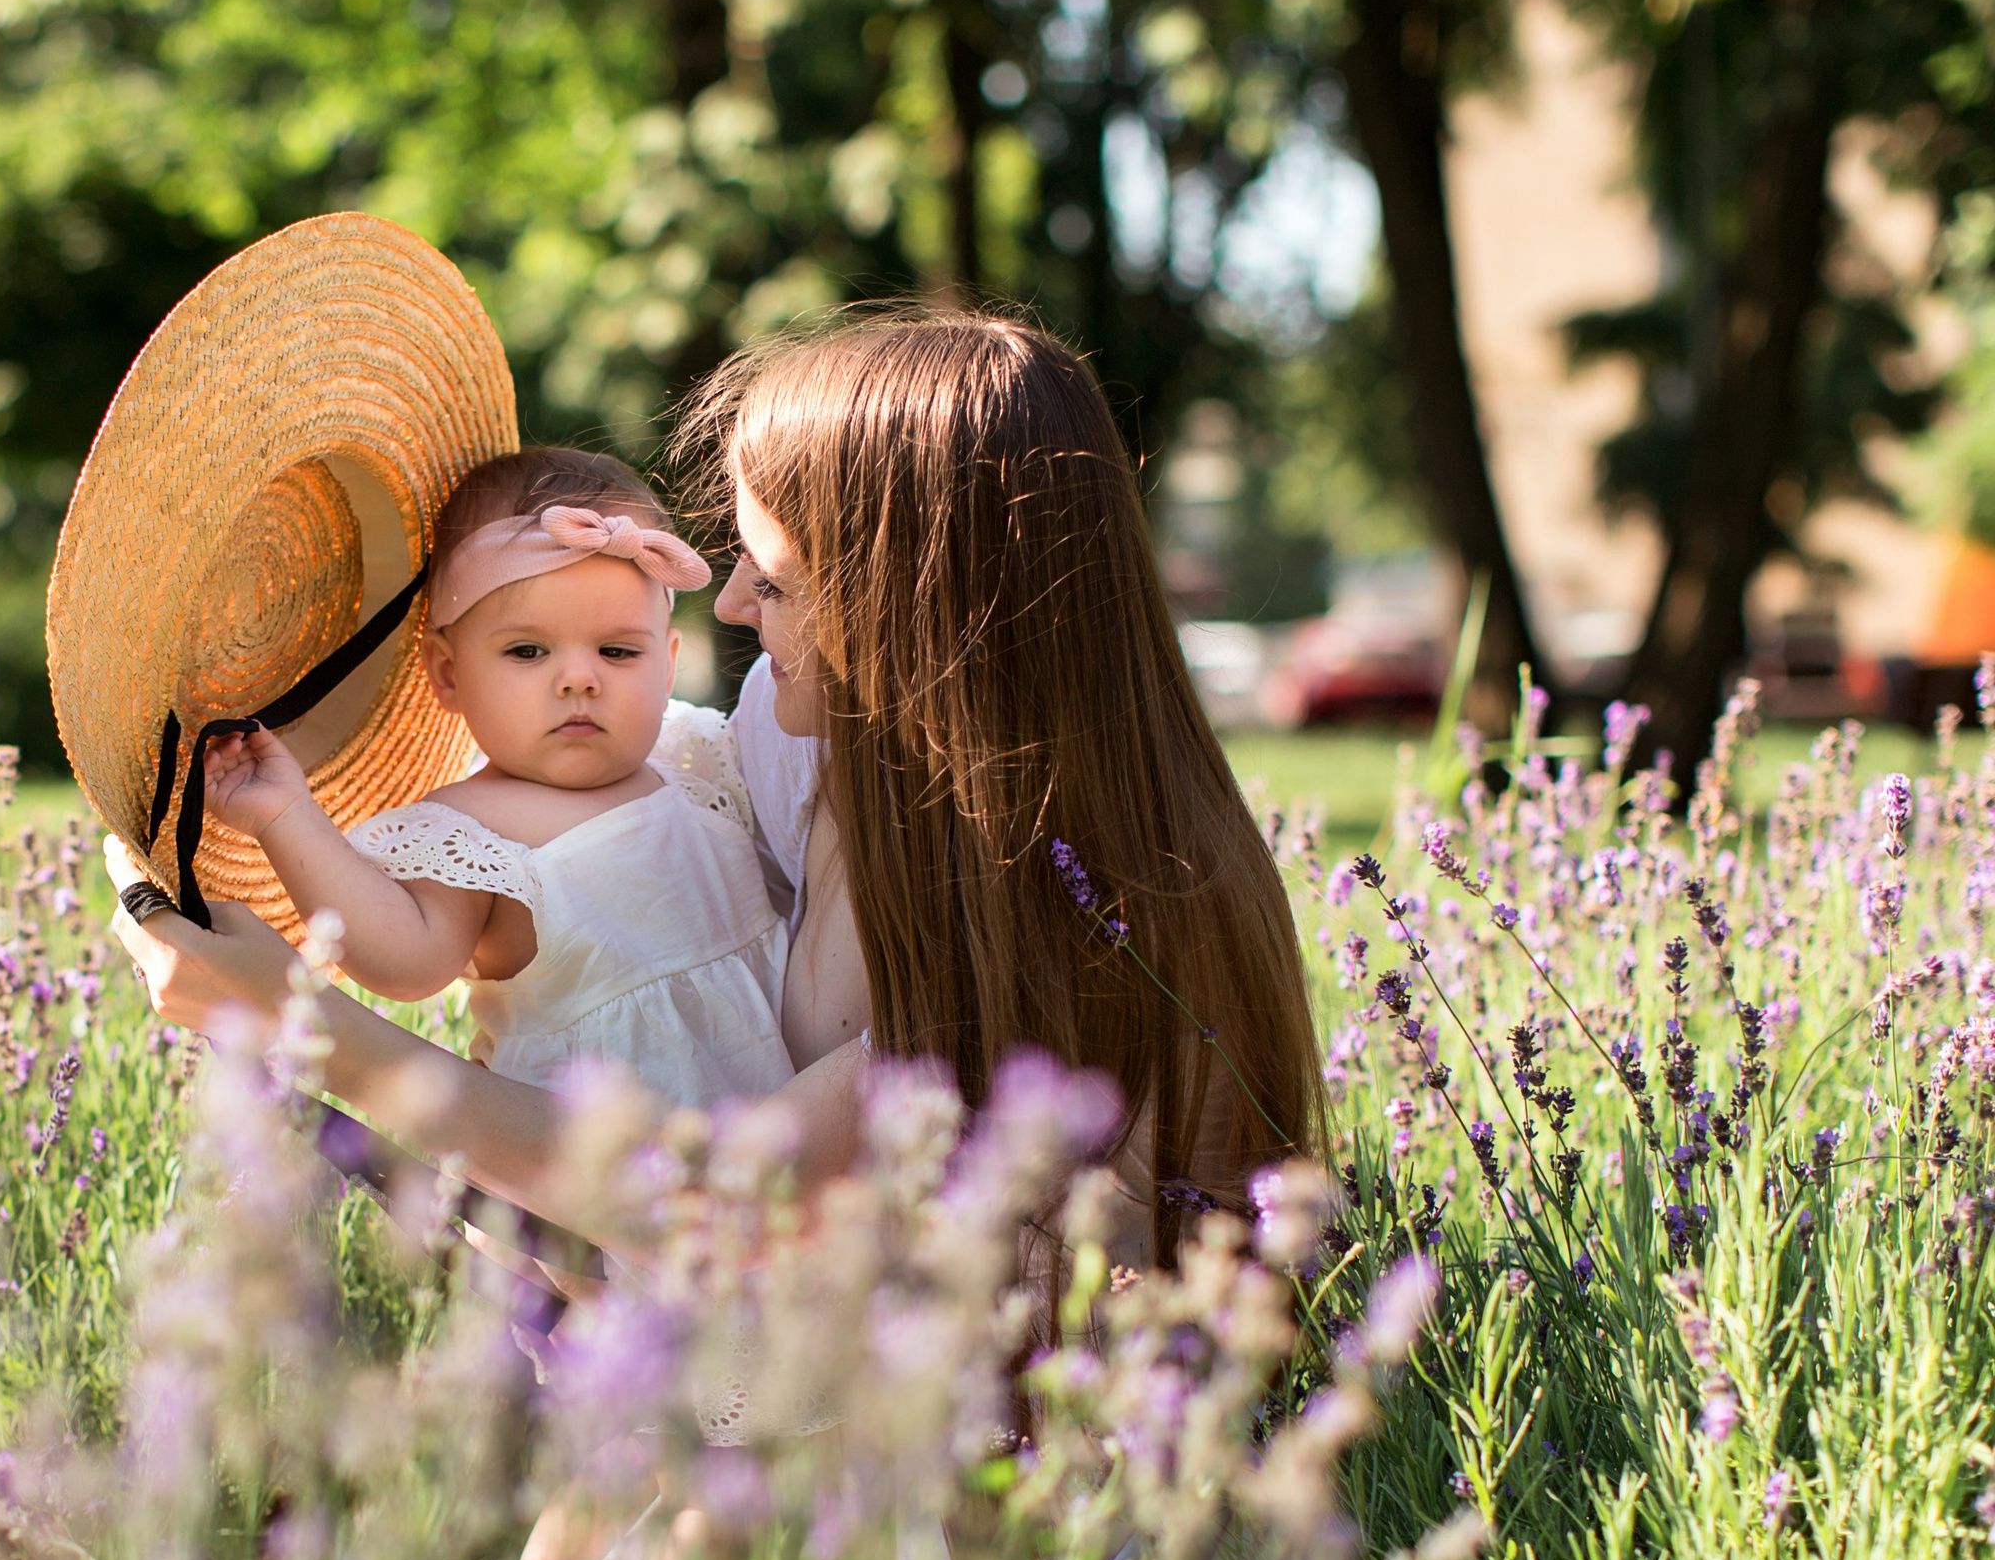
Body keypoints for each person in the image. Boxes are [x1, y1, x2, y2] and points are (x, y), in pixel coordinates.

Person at [109, 306, 1322, 1283]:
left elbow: (718, 1203)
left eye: (775, 578)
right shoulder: (800, 751)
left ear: (918, 611)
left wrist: (297, 1023)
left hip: (999, 1467)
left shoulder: (1059, 900)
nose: (732, 607)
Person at [193, 447, 796, 1111]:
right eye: (527, 650)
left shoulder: (696, 757)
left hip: (781, 1138)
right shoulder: (469, 829)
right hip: (584, 1165)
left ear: (668, 663)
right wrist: (285, 815)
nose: (579, 678)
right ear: (449, 675)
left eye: (618, 651)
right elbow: (406, 961)